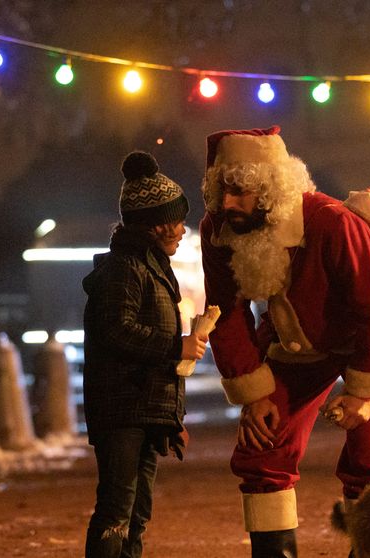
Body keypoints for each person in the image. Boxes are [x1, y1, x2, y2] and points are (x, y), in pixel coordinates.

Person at [199, 126, 370, 557]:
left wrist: (362, 392)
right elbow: (226, 312)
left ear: (270, 189)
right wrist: (254, 394)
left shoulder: (331, 222)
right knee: (262, 445)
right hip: (296, 335)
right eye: (221, 190)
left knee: (368, 445)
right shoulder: (219, 230)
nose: (228, 204)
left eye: (240, 191)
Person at [81, 151, 208, 558]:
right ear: (154, 225)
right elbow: (117, 330)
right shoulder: (125, 268)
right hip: (122, 410)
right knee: (117, 511)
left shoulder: (150, 266)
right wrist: (178, 345)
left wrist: (172, 419)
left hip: (142, 410)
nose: (182, 230)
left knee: (137, 513)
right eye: (176, 220)